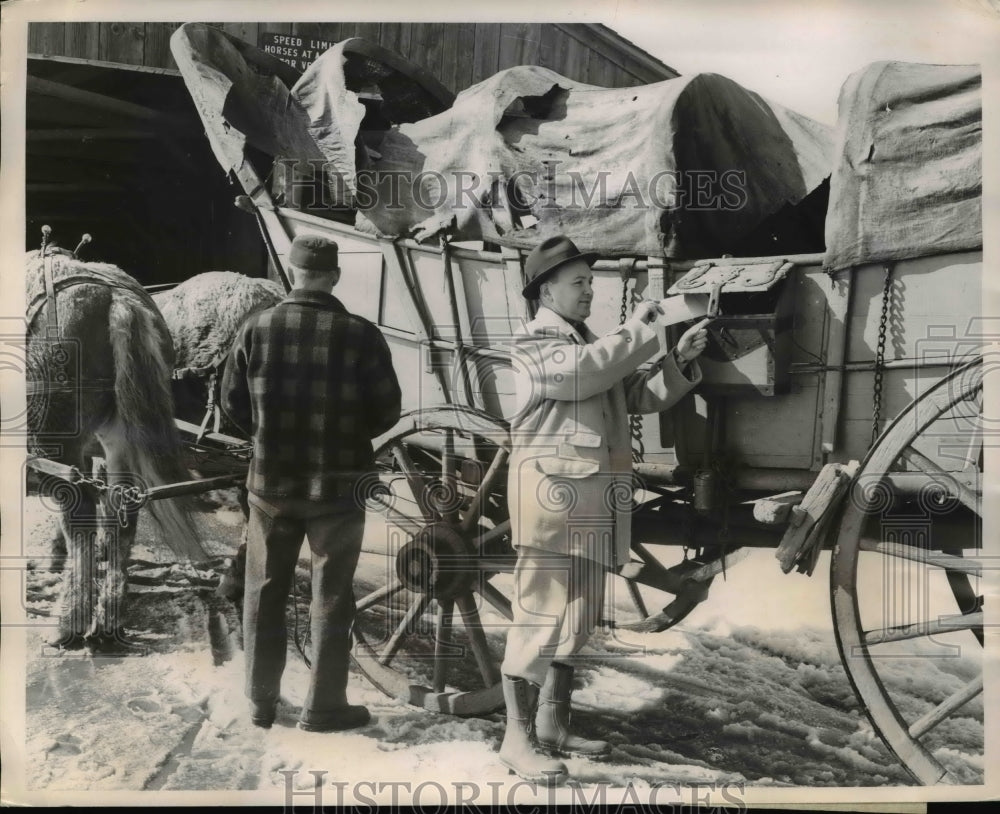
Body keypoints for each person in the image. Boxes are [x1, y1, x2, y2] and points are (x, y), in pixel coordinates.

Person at [500, 235, 708, 783]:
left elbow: (636, 395)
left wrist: (677, 360)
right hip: (551, 504)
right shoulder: (534, 342)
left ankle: (551, 726)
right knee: (538, 619)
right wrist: (642, 328)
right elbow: (589, 371)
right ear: (546, 292)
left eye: (591, 282)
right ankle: (515, 741)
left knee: (577, 620)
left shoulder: (588, 344)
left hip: (595, 504)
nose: (590, 290)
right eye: (579, 283)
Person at [220, 234, 402, 732]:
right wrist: (346, 437)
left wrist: (266, 437)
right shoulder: (361, 334)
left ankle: (260, 702)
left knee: (263, 590)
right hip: (339, 489)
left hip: (271, 486)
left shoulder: (256, 327)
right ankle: (323, 707)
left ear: (291, 272)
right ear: (334, 277)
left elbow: (232, 404)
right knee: (332, 595)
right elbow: (387, 410)